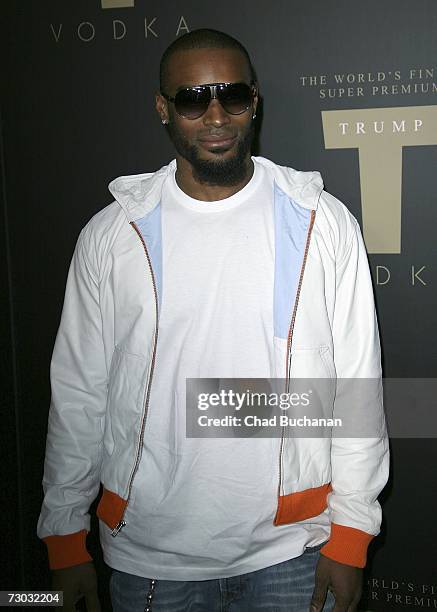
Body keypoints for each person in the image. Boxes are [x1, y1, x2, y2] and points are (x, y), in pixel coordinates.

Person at [37, 28, 389, 612]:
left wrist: (351, 537)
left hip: (294, 549)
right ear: (164, 108)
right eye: (194, 99)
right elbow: (79, 396)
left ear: (255, 100)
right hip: (151, 555)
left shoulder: (320, 222)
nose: (216, 116)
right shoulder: (112, 236)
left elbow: (356, 387)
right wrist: (64, 538)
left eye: (233, 96)